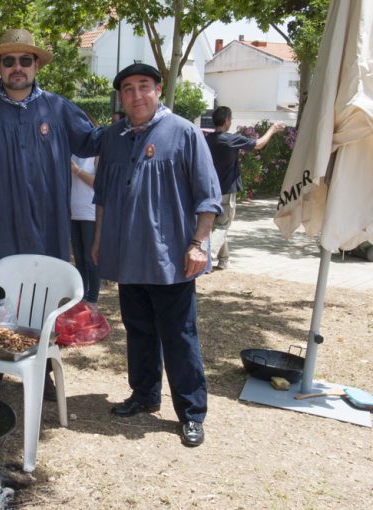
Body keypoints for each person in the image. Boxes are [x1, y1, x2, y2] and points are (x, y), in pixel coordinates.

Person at [0, 28, 102, 400]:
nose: (18, 67)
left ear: (36, 64)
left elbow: (96, 141)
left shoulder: (58, 109)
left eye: (26, 60)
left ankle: (42, 370)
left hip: (48, 226)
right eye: (9, 61)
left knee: (44, 300)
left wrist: (138, 126)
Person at [91, 63, 222, 447]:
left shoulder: (183, 132)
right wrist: (99, 240)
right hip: (127, 256)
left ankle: (192, 413)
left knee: (179, 336)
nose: (135, 95)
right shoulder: (113, 136)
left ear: (158, 89)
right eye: (127, 89)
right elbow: (102, 197)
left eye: (143, 87)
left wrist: (198, 244)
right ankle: (144, 394)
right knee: (139, 330)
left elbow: (208, 196)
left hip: (171, 259)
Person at [206, 106, 286, 269]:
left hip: (208, 190)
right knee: (222, 226)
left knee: (216, 226)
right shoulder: (231, 139)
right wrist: (273, 129)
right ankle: (207, 258)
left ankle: (224, 260)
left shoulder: (207, 140)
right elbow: (259, 144)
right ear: (227, 120)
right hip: (227, 192)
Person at [70, 152, 100, 304]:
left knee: (91, 259)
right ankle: (81, 299)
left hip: (90, 213)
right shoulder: (72, 153)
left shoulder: (96, 154)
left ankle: (93, 300)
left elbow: (99, 183)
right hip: (73, 213)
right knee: (79, 260)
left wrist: (78, 171)